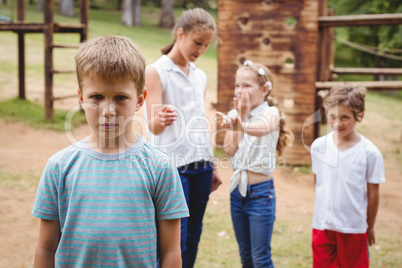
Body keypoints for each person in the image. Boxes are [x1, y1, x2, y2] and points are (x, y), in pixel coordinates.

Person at [32, 35, 189, 267]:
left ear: (140, 99)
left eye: (120, 98)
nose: (108, 110)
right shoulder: (59, 166)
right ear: (81, 98)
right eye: (96, 97)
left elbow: (171, 252)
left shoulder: (160, 167)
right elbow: (45, 248)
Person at [144, 7, 222, 268]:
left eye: (206, 45)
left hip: (201, 165)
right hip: (172, 167)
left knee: (193, 236)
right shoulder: (156, 72)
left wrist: (211, 164)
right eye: (197, 42)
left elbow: (200, 123)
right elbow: (153, 127)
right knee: (173, 238)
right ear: (180, 33)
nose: (201, 50)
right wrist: (159, 119)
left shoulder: (200, 75)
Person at [216, 60, 293, 267]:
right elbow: (230, 150)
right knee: (246, 256)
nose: (240, 90)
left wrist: (241, 123)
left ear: (265, 89)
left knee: (261, 258)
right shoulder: (235, 114)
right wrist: (237, 120)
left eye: (247, 85)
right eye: (237, 85)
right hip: (237, 193)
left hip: (260, 194)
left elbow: (260, 128)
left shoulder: (271, 114)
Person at [310, 84, 385, 267]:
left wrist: (370, 226)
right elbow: (318, 183)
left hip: (353, 228)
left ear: (360, 116)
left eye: (345, 117)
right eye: (333, 116)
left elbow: (373, 193)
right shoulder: (318, 147)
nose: (337, 123)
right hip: (323, 226)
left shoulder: (370, 153)